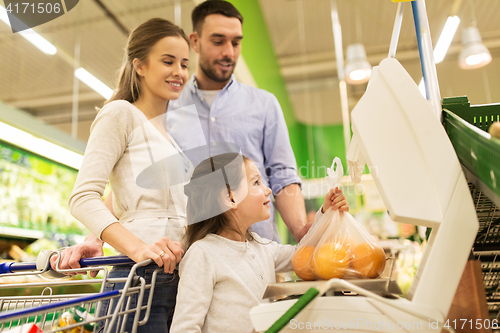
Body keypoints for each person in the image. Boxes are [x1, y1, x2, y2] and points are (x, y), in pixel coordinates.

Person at [50, 18, 192, 332]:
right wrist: (137, 247)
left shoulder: (173, 135)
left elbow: (127, 193)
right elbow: (83, 198)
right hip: (137, 277)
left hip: (183, 275)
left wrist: (96, 237)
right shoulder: (119, 113)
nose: (179, 72)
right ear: (140, 66)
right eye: (168, 61)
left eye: (184, 63)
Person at [166, 0, 311, 244]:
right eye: (218, 41)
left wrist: (300, 230)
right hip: (190, 252)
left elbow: (282, 176)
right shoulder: (170, 105)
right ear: (195, 41)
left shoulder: (264, 104)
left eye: (236, 42)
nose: (229, 52)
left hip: (259, 253)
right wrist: (99, 235)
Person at [169, 153, 348, 333]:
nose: (268, 190)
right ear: (231, 199)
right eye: (256, 183)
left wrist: (327, 213)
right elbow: (183, 328)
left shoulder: (262, 247)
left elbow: (306, 253)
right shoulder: (203, 255)